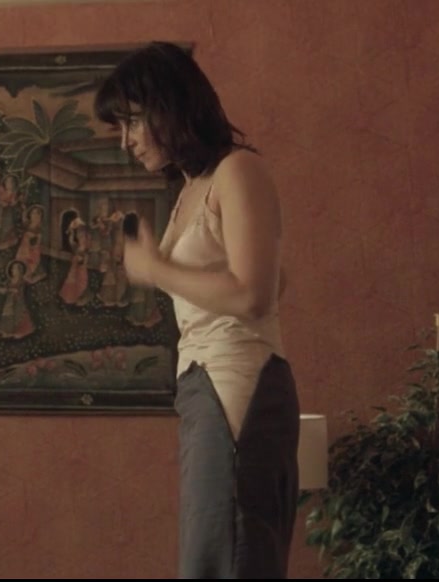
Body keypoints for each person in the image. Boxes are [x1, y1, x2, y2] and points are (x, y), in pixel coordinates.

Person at [95, 41, 298, 578]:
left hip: (237, 383)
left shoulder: (239, 171)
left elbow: (254, 295)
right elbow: (275, 280)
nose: (125, 141)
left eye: (132, 122)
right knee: (214, 553)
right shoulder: (191, 190)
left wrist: (156, 269)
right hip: (206, 385)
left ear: (170, 106)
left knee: (228, 556)